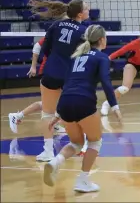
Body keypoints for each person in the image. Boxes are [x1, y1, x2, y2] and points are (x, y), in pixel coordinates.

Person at [43, 25, 122, 193]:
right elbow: (106, 83)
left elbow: (67, 83)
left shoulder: (75, 56)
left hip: (65, 102)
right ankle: (82, 181)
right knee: (95, 141)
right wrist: (114, 106)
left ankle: (54, 162)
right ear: (102, 40)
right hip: (84, 101)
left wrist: (58, 113)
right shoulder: (102, 57)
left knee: (77, 143)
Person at [28, 0, 90, 162]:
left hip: (51, 73)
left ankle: (47, 151)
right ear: (79, 14)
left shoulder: (55, 26)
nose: (89, 10)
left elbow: (46, 49)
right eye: (87, 8)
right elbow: (83, 57)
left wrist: (55, 61)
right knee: (77, 110)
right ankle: (82, 145)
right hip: (69, 75)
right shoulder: (83, 31)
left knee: (47, 114)